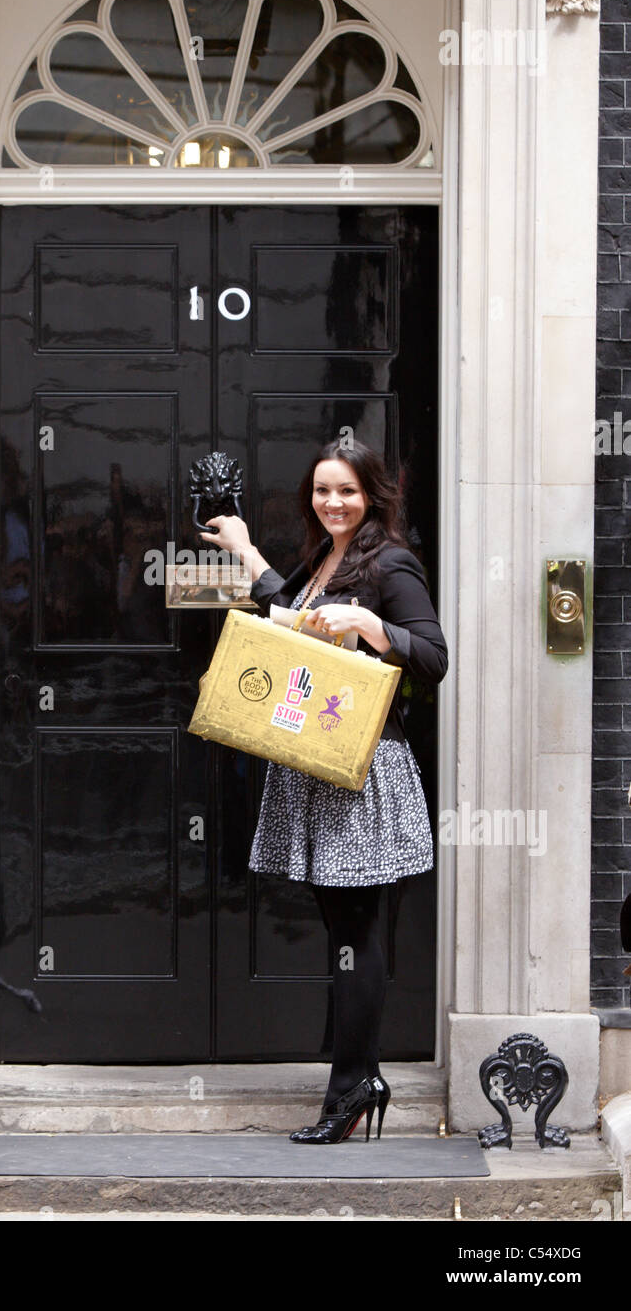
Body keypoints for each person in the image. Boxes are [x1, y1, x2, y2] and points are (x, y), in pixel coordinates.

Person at [203, 438, 448, 1144]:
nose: (332, 503)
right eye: (320, 491)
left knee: (358, 931)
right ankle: (357, 1077)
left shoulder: (391, 564)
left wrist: (373, 626)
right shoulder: (322, 560)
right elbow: (291, 613)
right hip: (313, 764)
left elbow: (434, 656)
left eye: (345, 491)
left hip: (361, 771)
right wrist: (247, 553)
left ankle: (351, 1090)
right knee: (344, 930)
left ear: (371, 493)